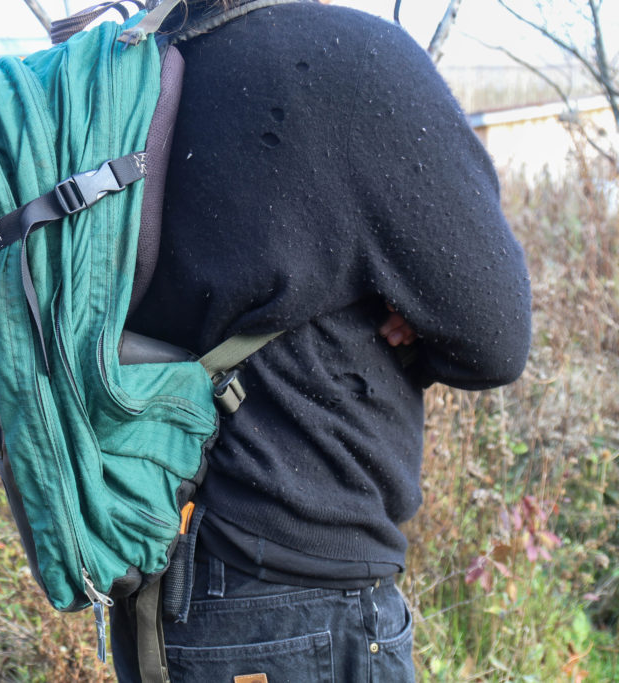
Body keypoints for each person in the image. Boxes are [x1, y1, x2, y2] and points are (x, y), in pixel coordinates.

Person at [110, 0, 533, 680]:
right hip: (299, 603)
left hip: (151, 581)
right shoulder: (356, 60)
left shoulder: (131, 68)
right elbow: (497, 334)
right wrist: (411, 323)